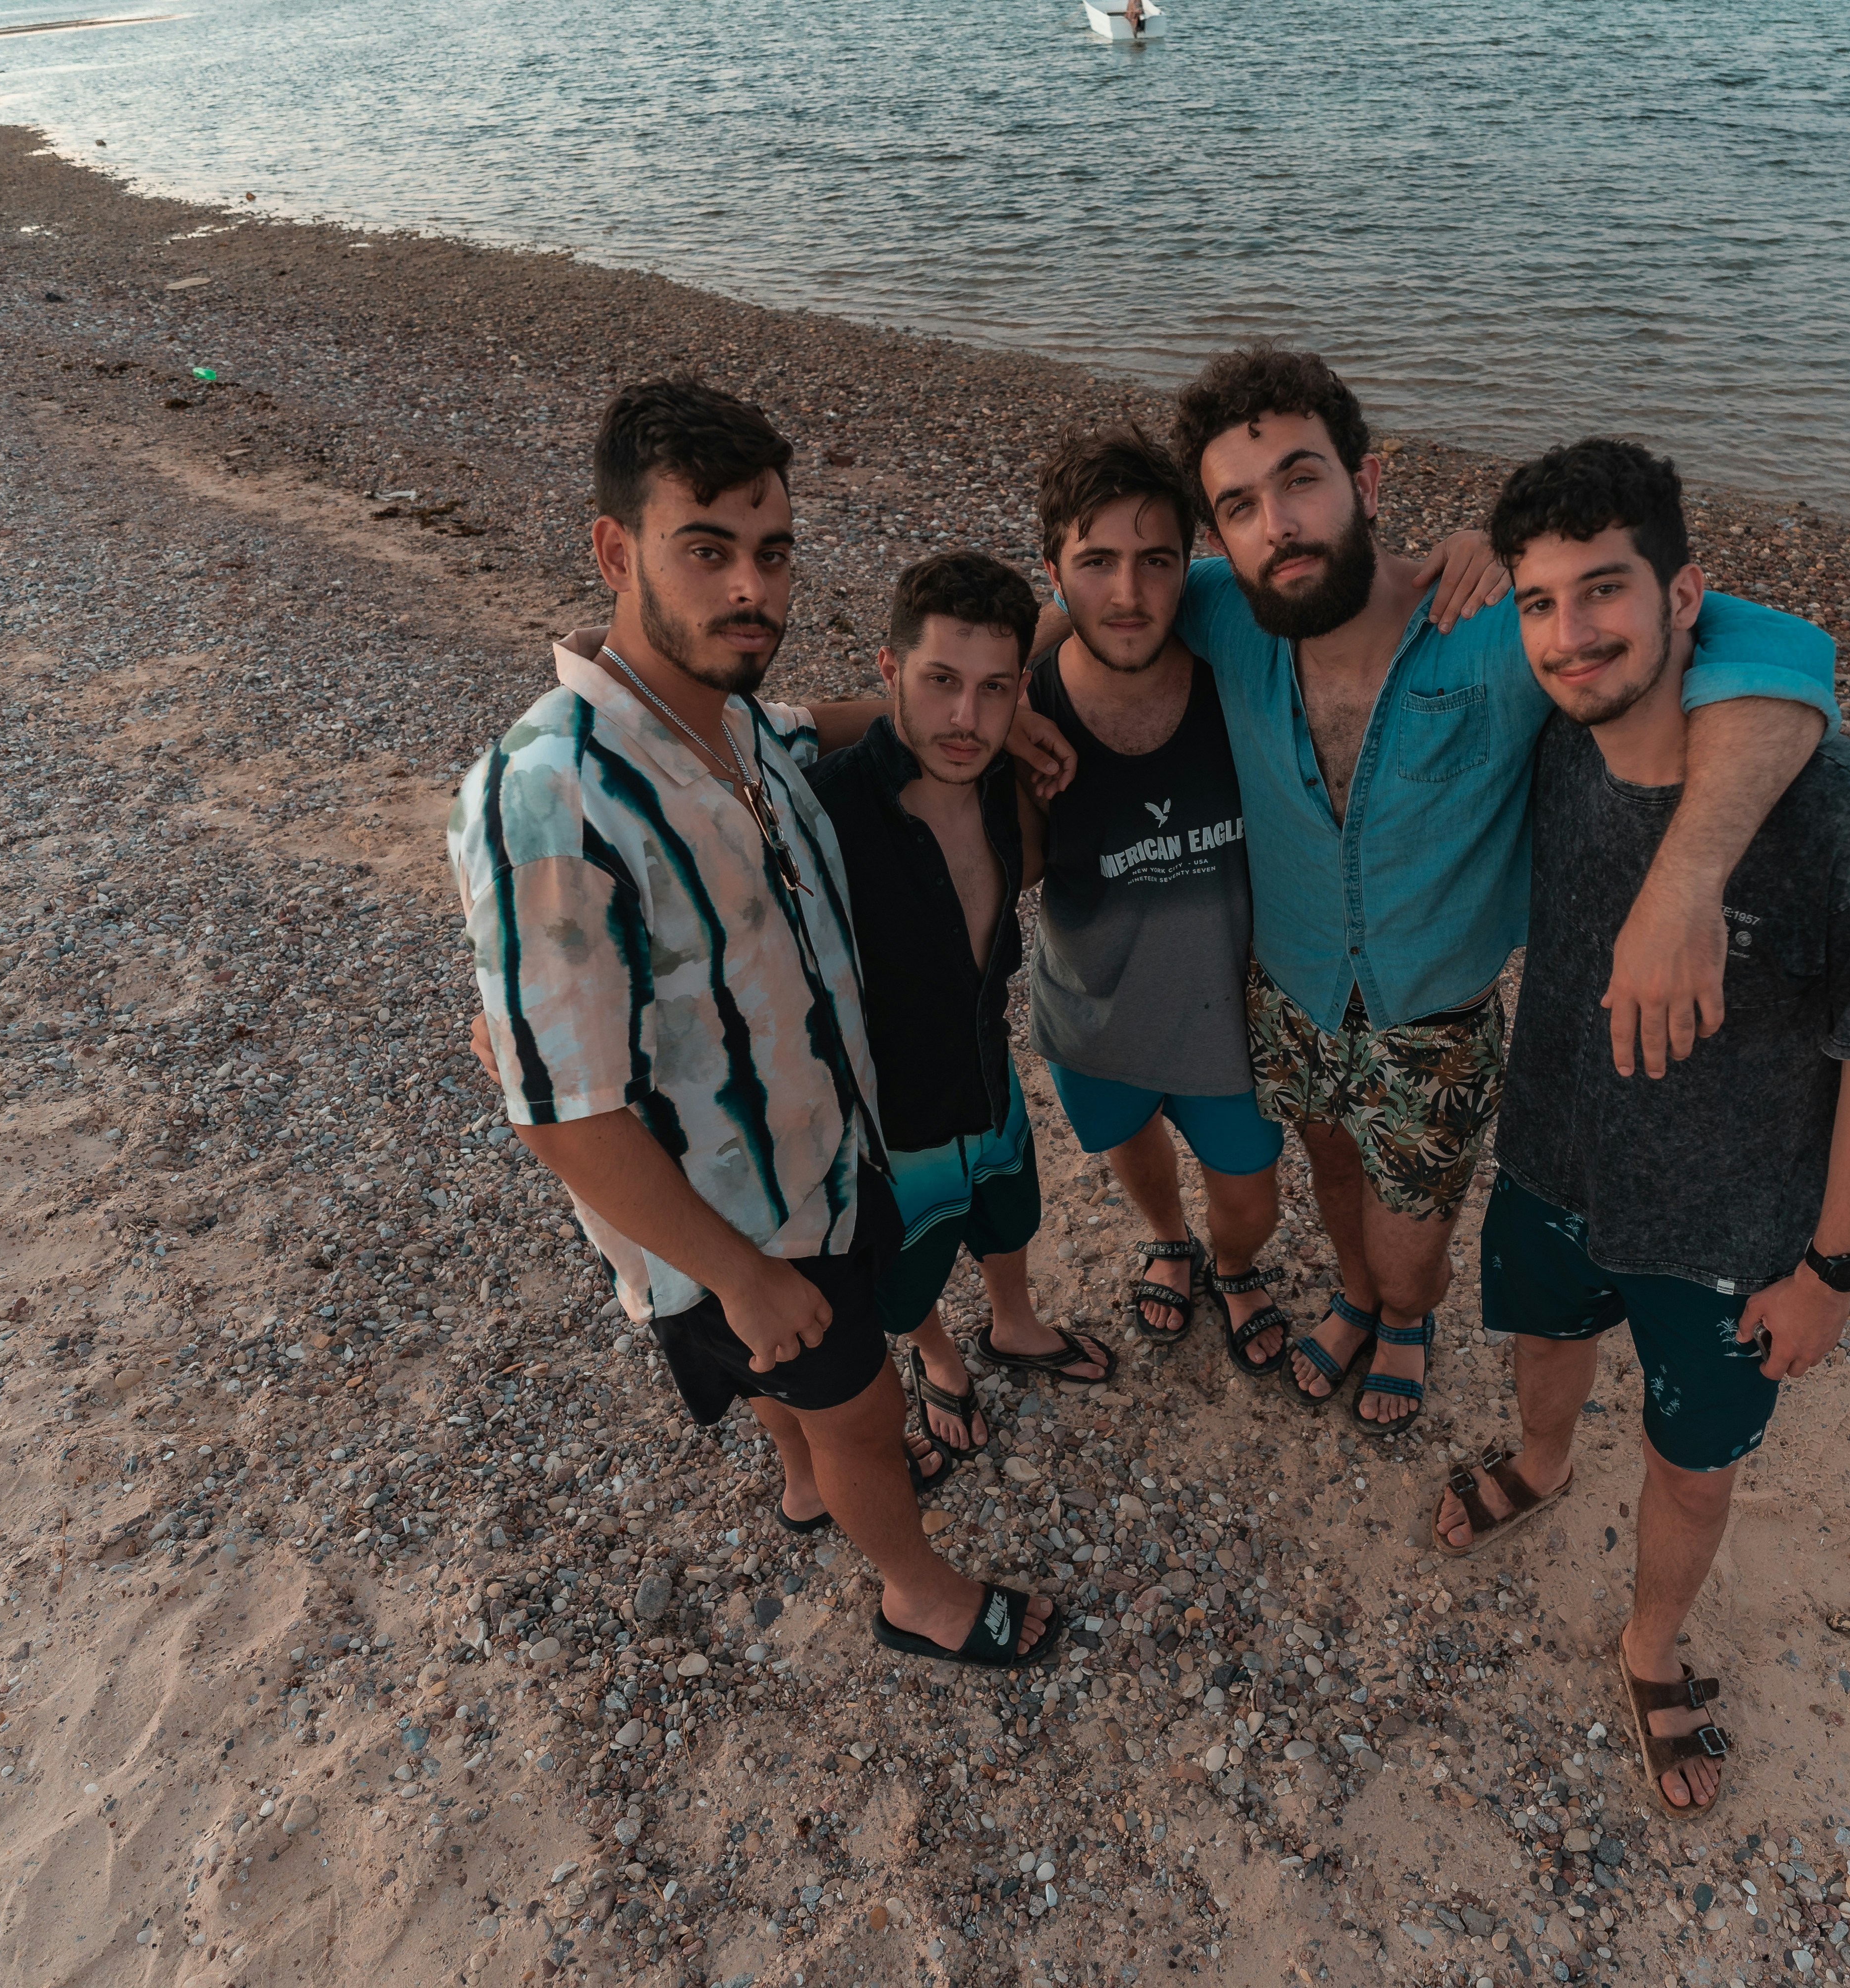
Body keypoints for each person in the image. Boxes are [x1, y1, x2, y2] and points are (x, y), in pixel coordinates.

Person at [446, 378, 1059, 1671]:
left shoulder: (732, 727)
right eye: (707, 550)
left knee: (805, 1410)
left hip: (827, 1155)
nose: (751, 589)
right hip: (739, 1216)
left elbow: (820, 722)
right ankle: (917, 1592)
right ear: (616, 550)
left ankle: (799, 1482)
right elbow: (562, 1105)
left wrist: (984, 733)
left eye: (772, 553)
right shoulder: (552, 791)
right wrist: (741, 1276)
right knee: (861, 1404)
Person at [1158, 347, 1842, 1438]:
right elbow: (1088, 605)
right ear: (1218, 535)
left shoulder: (1498, 631)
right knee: (1331, 1165)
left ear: (1367, 486)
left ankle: (1405, 1314)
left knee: (1412, 1244)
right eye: (1239, 504)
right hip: (1285, 993)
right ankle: (1353, 1296)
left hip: (1435, 1018)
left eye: (1301, 479)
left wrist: (1685, 884)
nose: (1277, 523)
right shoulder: (1222, 616)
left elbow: (1782, 650)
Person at [1446, 437, 1850, 1814]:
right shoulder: (1552, 741)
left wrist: (1833, 1269)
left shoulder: (1847, 817)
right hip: (1554, 1154)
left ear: (1689, 599)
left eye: (1605, 591)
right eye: (1540, 601)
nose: (1570, 635)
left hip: (1733, 1232)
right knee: (1544, 1346)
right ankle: (1542, 1466)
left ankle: (1651, 1646)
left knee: (1694, 1467)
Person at [804, 549, 1113, 1476]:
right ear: (890, 671)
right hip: (890, 1118)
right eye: (940, 682)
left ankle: (1014, 1324)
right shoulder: (823, 810)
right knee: (906, 1276)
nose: (965, 720)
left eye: (992, 691)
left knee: (1010, 1211)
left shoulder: (1004, 782)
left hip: (988, 1066)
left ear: (1021, 688)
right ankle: (940, 1357)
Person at [1023, 426, 1295, 1377]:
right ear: (1053, 567)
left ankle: (1230, 1263)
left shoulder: (1244, 675)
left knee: (1253, 1200)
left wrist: (1464, 555)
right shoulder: (1018, 713)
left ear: (1194, 566)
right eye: (1096, 562)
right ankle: (1171, 1241)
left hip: (1231, 1021)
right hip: (1094, 1012)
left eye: (1156, 560)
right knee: (1130, 1143)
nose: (1129, 595)